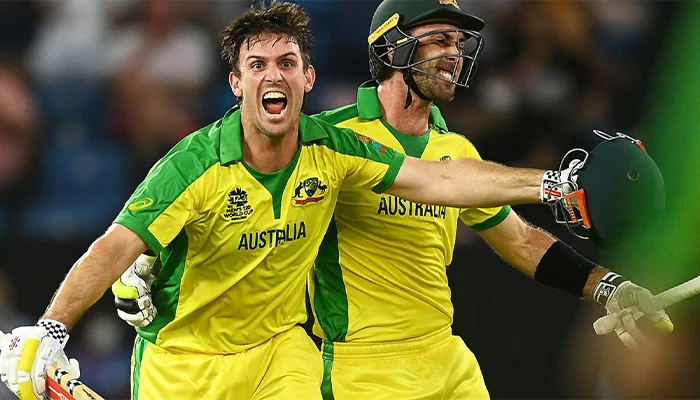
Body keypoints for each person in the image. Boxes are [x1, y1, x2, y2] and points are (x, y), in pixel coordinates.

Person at [0, 2, 585, 400]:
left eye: (286, 63)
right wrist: (51, 329)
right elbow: (114, 246)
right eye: (256, 65)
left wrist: (553, 185)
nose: (270, 76)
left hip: (282, 353)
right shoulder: (194, 163)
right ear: (236, 83)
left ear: (307, 78)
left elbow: (444, 182)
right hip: (183, 364)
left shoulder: (335, 149)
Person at [111, 1, 675, 399]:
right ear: (393, 46)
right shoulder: (329, 139)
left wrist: (607, 286)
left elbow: (520, 240)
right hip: (356, 370)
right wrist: (146, 259)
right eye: (439, 38)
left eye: (460, 42)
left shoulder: (457, 148)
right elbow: (231, 201)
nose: (455, 53)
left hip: (446, 360)